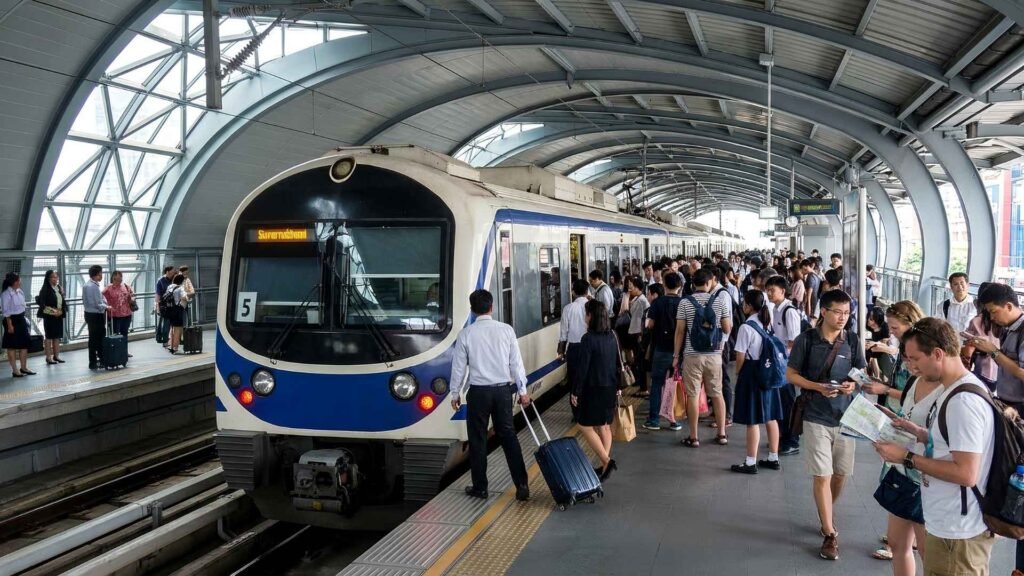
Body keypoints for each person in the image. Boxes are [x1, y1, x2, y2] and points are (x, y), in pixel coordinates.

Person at [874, 318, 996, 576]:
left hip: (958, 531)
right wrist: (919, 433)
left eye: (915, 358)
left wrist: (906, 457)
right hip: (947, 522)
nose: (912, 366)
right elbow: (953, 444)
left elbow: (966, 473)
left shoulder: (962, 400)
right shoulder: (953, 390)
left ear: (938, 353)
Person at [786, 288, 865, 561]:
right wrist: (817, 387)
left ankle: (826, 511)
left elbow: (860, 373)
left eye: (847, 313)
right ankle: (830, 532)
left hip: (846, 416)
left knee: (840, 474)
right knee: (822, 474)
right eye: (838, 312)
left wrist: (852, 384)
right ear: (824, 312)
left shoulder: (853, 341)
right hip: (815, 415)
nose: (843, 318)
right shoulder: (806, 340)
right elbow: (791, 374)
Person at [450, 289, 530, 501]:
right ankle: (522, 485)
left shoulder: (466, 334)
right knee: (509, 437)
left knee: (477, 440)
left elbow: (459, 368)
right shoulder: (506, 330)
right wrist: (522, 391)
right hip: (502, 391)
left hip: (478, 393)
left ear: (472, 310)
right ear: (492, 307)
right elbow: (516, 364)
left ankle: (481, 488)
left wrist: (455, 393)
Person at [868, 348, 942, 570]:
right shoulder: (912, 383)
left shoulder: (949, 391)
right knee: (897, 542)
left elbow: (946, 444)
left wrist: (913, 442)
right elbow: (909, 417)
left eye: (915, 359)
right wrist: (895, 423)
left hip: (926, 476)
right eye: (907, 359)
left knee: (926, 548)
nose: (910, 365)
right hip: (904, 471)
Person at [969, 282, 1024, 575]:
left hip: (1019, 411)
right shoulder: (1010, 330)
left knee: (1013, 475)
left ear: (1009, 306)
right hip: (1008, 405)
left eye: (993, 312)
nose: (992, 319)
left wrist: (993, 352)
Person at [673, 267, 733, 447]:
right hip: (714, 355)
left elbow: (680, 331)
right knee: (717, 393)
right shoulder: (719, 301)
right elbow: (728, 328)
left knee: (692, 395)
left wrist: (676, 356)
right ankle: (722, 434)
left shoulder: (684, 302)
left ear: (693, 284)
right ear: (709, 283)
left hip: (692, 356)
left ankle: (694, 437)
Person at [729, 289, 783, 474]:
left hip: (752, 373)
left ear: (750, 306)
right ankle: (773, 457)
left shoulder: (746, 327)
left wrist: (738, 373)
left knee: (752, 420)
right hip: (769, 372)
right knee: (770, 416)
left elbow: (740, 355)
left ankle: (750, 462)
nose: (742, 306)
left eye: (744, 303)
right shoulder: (766, 322)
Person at [571, 300, 620, 481]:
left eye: (586, 314)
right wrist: (619, 387)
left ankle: (607, 461)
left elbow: (582, 368)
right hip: (610, 387)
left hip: (593, 389)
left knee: (583, 425)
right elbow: (618, 364)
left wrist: (575, 391)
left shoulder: (588, 339)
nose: (585, 317)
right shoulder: (612, 335)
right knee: (604, 425)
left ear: (590, 316)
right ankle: (604, 465)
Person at [864, 301, 925, 413]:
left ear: (911, 325)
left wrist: (885, 390)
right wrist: (882, 384)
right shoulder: (904, 346)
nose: (891, 332)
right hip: (894, 411)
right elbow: (900, 385)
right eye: (889, 327)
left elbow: (919, 397)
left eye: (895, 328)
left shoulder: (920, 354)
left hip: (907, 416)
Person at [765, 276, 803, 456]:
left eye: (772, 290)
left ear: (782, 290)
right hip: (779, 363)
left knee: (788, 403)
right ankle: (781, 436)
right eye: (768, 290)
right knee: (780, 402)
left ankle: (792, 440)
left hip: (787, 365)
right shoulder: (776, 309)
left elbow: (794, 342)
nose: (769, 293)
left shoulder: (789, 311)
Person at [643, 271, 683, 431]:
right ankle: (673, 420)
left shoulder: (657, 303)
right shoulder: (683, 302)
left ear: (665, 285)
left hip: (660, 350)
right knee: (673, 386)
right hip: (678, 352)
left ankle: (654, 420)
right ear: (680, 286)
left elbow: (650, 325)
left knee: (657, 384)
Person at [559, 279, 590, 420]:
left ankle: (576, 413)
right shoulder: (592, 306)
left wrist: (561, 351)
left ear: (573, 292)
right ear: (587, 291)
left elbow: (563, 333)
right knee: (588, 378)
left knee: (574, 381)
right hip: (590, 347)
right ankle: (588, 410)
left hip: (574, 349)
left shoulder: (568, 308)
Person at [961, 282, 999, 390]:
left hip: (982, 371)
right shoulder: (1003, 322)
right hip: (1001, 374)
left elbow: (968, 347)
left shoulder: (976, 321)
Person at [1, 273, 34, 378]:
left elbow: (22, 306)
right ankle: (15, 370)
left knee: (24, 344)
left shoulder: (20, 292)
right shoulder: (6, 294)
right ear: (14, 282)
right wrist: (10, 325)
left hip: (21, 319)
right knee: (12, 346)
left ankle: (24, 367)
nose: (21, 282)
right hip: (11, 321)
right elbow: (6, 312)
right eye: (19, 280)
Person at [36, 269, 67, 364]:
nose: (55, 279)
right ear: (48, 278)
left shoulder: (58, 288)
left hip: (58, 315)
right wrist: (53, 311)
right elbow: (42, 304)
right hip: (49, 316)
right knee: (49, 337)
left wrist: (61, 311)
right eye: (53, 277)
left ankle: (56, 356)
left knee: (56, 337)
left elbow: (62, 302)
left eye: (56, 277)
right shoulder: (45, 289)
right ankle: (48, 357)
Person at [625, 276, 649, 398]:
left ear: (638, 288)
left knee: (640, 362)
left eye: (632, 287)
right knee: (639, 362)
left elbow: (641, 320)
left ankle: (643, 388)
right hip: (636, 333)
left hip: (638, 334)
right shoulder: (638, 299)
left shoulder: (640, 301)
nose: (630, 289)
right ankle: (642, 385)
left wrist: (640, 335)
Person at [103, 271, 135, 355]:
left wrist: (131, 298)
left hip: (127, 314)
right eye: (117, 279)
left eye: (120, 279)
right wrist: (107, 306)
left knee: (125, 334)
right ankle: (116, 352)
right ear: (113, 278)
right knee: (115, 334)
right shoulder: (108, 288)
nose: (119, 281)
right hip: (115, 316)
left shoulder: (125, 286)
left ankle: (124, 351)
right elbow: (101, 298)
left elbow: (133, 295)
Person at [83, 265, 108, 370]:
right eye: (100, 273)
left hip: (89, 314)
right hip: (96, 315)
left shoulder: (88, 285)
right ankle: (97, 361)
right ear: (96, 274)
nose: (101, 275)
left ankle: (95, 361)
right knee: (98, 339)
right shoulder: (93, 286)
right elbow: (98, 303)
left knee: (93, 339)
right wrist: (107, 306)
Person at [165, 273, 188, 354]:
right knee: (178, 328)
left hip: (169, 310)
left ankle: (169, 344)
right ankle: (175, 347)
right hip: (177, 310)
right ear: (181, 281)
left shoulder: (170, 286)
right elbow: (185, 297)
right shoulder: (180, 288)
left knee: (172, 327)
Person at [155, 266, 176, 348]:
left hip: (174, 304)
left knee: (174, 323)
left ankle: (174, 339)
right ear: (167, 272)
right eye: (171, 272)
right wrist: (158, 306)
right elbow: (158, 294)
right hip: (165, 306)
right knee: (166, 324)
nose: (172, 274)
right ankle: (165, 340)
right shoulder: (161, 281)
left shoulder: (174, 279)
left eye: (173, 272)